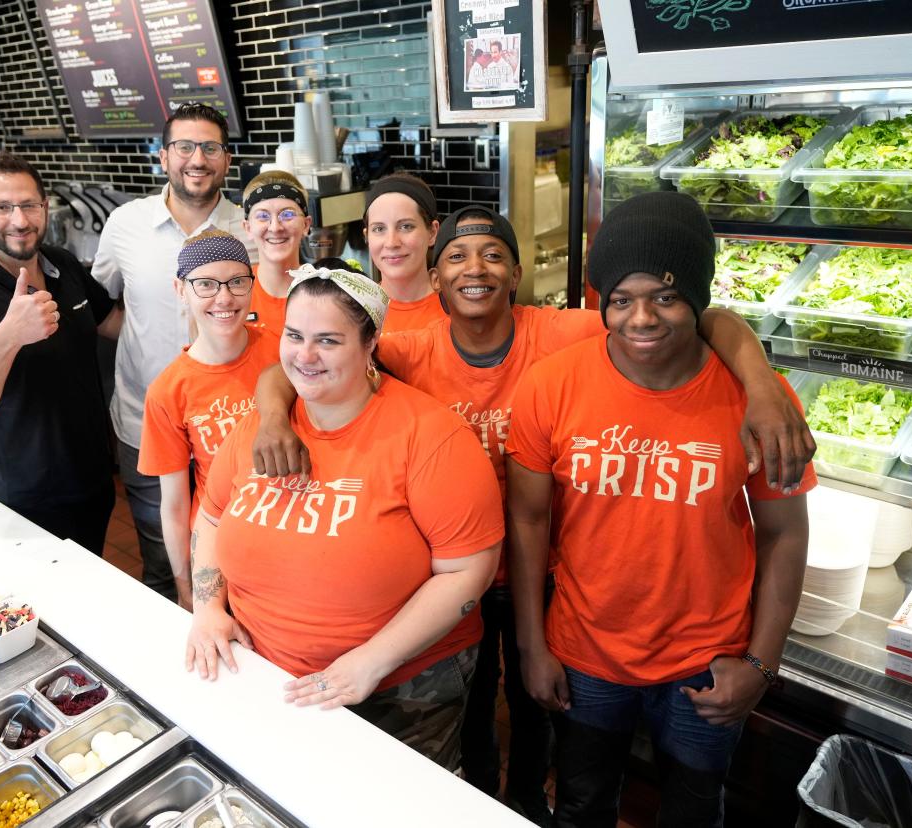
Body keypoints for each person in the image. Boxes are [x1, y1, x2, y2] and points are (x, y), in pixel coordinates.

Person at [251, 205, 815, 826]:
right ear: (435, 279)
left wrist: (761, 382)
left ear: (518, 273)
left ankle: (522, 800)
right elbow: (301, 358)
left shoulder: (567, 340)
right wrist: (275, 417)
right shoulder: (424, 354)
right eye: (457, 257)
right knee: (515, 746)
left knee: (656, 782)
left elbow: (703, 317)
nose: (642, 316)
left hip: (628, 617)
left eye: (493, 255)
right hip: (495, 598)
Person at [506, 192, 815, 828]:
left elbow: (783, 534)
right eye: (621, 299)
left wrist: (761, 664)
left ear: (697, 301)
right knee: (584, 805)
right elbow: (530, 521)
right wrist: (532, 646)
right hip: (585, 654)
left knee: (695, 813)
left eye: (666, 297)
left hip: (706, 664)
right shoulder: (551, 384)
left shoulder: (758, 399)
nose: (641, 318)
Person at [185, 265, 503, 770]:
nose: (304, 356)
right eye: (294, 335)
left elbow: (469, 571)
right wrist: (207, 609)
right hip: (266, 671)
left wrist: (372, 661)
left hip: (402, 686)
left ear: (370, 341)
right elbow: (213, 518)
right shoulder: (261, 426)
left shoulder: (431, 436)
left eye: (328, 341)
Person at [93, 102, 254, 601]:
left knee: (236, 557)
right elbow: (100, 303)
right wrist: (143, 340)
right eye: (184, 146)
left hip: (231, 426)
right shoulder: (125, 223)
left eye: (210, 147)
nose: (197, 159)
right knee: (162, 561)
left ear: (227, 160)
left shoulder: (251, 225)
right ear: (163, 157)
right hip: (145, 421)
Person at [0, 151, 122, 553]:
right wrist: (9, 335)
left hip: (92, 480)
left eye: (29, 205)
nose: (19, 220)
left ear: (45, 207)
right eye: (1, 207)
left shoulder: (62, 265)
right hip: (24, 501)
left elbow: (113, 322)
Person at [138, 230, 279, 610]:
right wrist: (185, 584)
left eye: (236, 282)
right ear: (180, 289)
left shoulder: (282, 349)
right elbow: (174, 504)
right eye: (205, 284)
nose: (224, 298)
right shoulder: (168, 391)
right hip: (223, 547)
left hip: (290, 533)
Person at [364, 172, 447, 332]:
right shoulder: (355, 313)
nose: (391, 242)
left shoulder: (459, 311)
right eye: (379, 229)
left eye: (406, 226)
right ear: (367, 236)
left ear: (432, 232)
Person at [241, 171, 311, 335]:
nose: (275, 227)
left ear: (306, 225)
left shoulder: (329, 293)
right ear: (248, 228)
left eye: (287, 214)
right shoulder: (234, 294)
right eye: (263, 216)